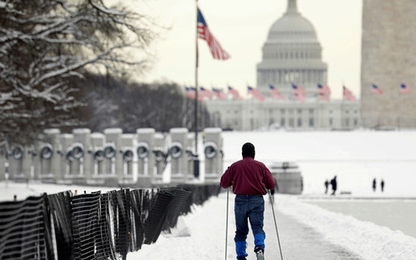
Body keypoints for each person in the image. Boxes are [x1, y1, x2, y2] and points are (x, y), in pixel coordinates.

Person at [220, 142, 276, 260]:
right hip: (257, 199)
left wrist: (232, 179)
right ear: (254, 153)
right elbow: (271, 184)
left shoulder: (235, 166)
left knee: (241, 231)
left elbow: (224, 183)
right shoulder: (260, 166)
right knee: (257, 227)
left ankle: (241, 256)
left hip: (240, 200)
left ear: (242, 153)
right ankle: (259, 247)